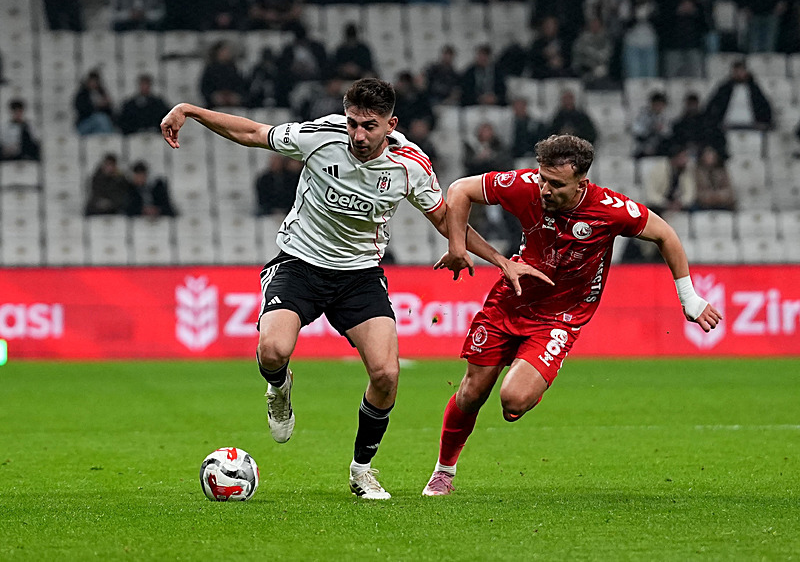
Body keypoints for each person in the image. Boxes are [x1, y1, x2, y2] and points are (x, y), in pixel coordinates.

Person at [160, 78, 510, 500]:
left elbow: (444, 218)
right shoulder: (320, 137)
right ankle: (279, 387)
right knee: (272, 351)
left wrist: (502, 261)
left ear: (390, 124)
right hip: (299, 264)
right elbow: (253, 133)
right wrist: (191, 110)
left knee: (386, 373)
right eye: (352, 124)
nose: (358, 135)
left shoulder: (410, 164)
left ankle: (362, 470)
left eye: (369, 125)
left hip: (359, 275)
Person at [421, 134, 723, 496]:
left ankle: (534, 378)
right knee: (471, 393)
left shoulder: (610, 209)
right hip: (511, 300)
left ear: (582, 182)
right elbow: (458, 190)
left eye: (556, 184)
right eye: (543, 178)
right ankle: (443, 472)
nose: (545, 190)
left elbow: (666, 235)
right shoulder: (527, 186)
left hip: (559, 317)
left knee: (513, 401)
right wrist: (457, 247)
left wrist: (688, 297)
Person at [705, 60, 773, 132]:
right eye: (736, 71)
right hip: (728, 124)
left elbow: (764, 106)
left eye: (740, 71)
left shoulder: (754, 89)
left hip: (751, 124)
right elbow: (712, 105)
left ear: (745, 72)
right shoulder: (724, 89)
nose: (738, 74)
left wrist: (763, 121)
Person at [74, 70, 115, 136]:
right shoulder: (82, 94)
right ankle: (110, 137)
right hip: (84, 124)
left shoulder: (102, 93)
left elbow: (110, 113)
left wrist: (107, 105)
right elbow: (80, 109)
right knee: (100, 118)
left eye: (96, 81)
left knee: (100, 130)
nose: (94, 83)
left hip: (97, 127)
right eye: (92, 81)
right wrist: (96, 105)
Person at [631, 91, 671, 159]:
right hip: (643, 149)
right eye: (657, 105)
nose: (659, 107)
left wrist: (661, 130)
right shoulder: (643, 116)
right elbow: (637, 132)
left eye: (661, 105)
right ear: (652, 104)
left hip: (659, 148)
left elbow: (667, 133)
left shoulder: (665, 117)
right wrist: (651, 128)